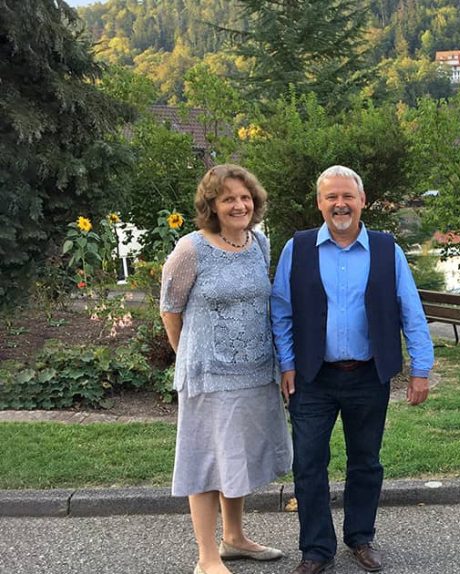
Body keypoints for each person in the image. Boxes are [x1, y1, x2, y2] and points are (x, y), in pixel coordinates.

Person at [270, 165, 433, 574]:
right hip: (312, 377)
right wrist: (287, 364)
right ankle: (316, 549)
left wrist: (420, 368)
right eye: (331, 197)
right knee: (308, 463)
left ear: (362, 201)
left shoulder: (386, 249)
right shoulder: (298, 248)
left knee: (366, 461)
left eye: (348, 196)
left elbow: (410, 310)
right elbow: (282, 312)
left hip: (367, 375)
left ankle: (361, 537)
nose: (340, 204)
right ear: (320, 203)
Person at [160, 164, 292, 574]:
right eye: (229, 199)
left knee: (235, 459)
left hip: (254, 372)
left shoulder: (259, 244)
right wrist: (188, 356)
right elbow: (170, 308)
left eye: (245, 197)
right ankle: (206, 557)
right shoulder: (191, 249)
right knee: (205, 460)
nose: (239, 205)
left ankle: (233, 538)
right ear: (212, 206)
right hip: (208, 376)